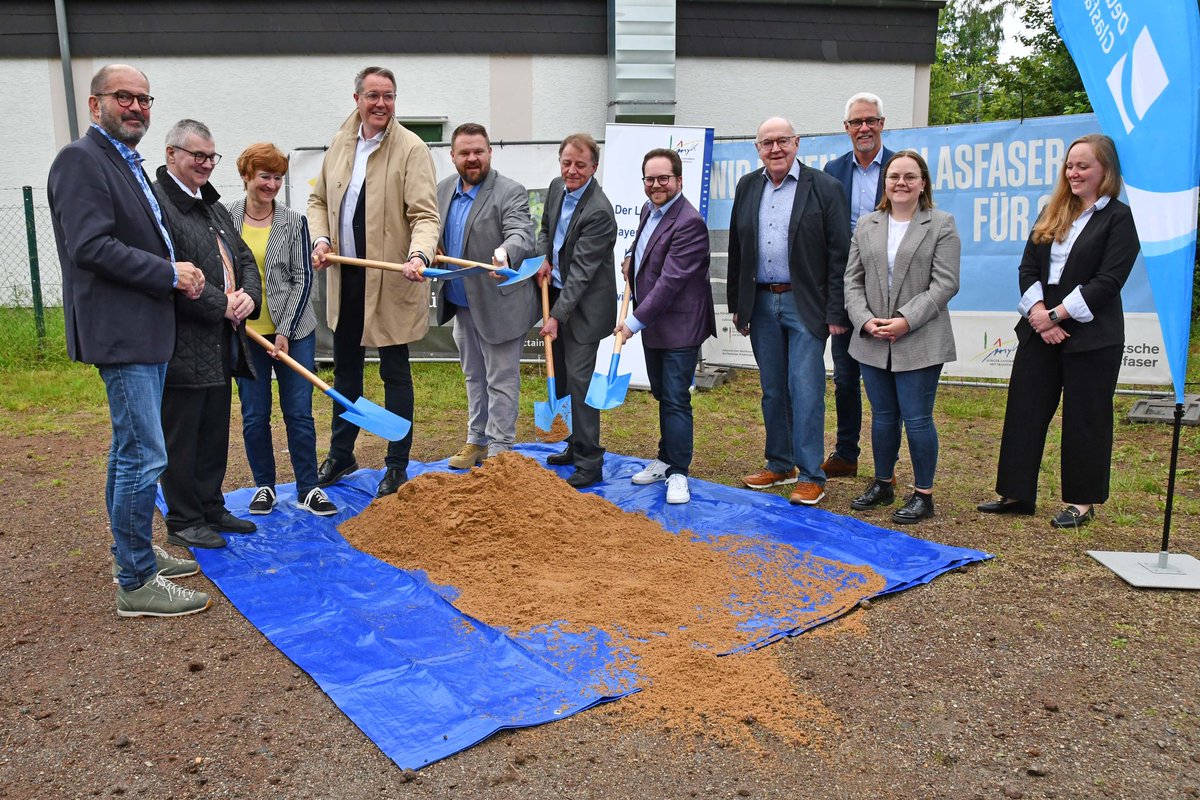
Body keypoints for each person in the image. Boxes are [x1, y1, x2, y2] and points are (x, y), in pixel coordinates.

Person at [47, 64, 210, 617]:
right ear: (96, 105)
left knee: (128, 452)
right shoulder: (81, 160)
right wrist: (170, 273)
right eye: (124, 98)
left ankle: (134, 551)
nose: (136, 107)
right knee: (145, 455)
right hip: (122, 331)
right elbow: (89, 246)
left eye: (144, 99)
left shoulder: (122, 160)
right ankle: (136, 581)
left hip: (143, 329)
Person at [978, 134, 1140, 529]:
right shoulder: (1052, 212)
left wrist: (1058, 315)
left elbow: (1108, 281)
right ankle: (1016, 494)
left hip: (1092, 334)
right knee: (1024, 409)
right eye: (1070, 165)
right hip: (1041, 328)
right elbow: (1028, 269)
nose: (1073, 172)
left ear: (1105, 170)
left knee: (1087, 417)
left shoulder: (1120, 218)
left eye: (1083, 165)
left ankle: (1081, 503)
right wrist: (1039, 314)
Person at [309, 66, 440, 497]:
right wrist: (322, 237)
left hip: (390, 282)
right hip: (346, 280)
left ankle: (396, 463)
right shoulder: (341, 142)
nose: (380, 103)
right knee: (346, 375)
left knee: (394, 374)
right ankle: (342, 454)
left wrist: (419, 253)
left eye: (388, 96)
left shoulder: (411, 149)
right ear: (357, 99)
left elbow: (425, 215)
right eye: (372, 96)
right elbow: (318, 200)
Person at [726, 117, 850, 506]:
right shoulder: (748, 186)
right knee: (773, 389)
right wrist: (737, 304)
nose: (775, 149)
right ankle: (780, 463)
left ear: (797, 143)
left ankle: (812, 474)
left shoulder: (825, 187)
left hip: (806, 304)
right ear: (757, 148)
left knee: (806, 387)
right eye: (767, 143)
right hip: (761, 302)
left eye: (783, 141)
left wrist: (836, 310)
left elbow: (839, 254)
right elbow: (737, 248)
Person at [152, 119, 262, 548]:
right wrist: (223, 305)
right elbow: (168, 278)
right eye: (197, 155)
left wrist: (249, 297)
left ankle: (211, 507)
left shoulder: (213, 207)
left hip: (221, 340)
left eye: (211, 156)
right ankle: (183, 520)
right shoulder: (159, 207)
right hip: (183, 342)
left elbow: (245, 259)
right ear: (171, 154)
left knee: (215, 428)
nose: (205, 164)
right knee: (183, 434)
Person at [843, 150, 961, 524]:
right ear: (885, 182)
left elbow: (946, 284)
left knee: (918, 418)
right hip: (872, 338)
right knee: (882, 417)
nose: (901, 183)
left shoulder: (941, 223)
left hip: (920, 337)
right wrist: (865, 320)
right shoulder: (867, 224)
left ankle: (923, 496)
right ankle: (883, 483)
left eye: (910, 176)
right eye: (894, 176)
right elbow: (852, 281)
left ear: (923, 183)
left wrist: (905, 321)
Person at [227, 143, 338, 517]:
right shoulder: (225, 218)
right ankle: (264, 487)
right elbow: (222, 271)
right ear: (247, 176)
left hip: (295, 332)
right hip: (247, 336)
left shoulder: (293, 221)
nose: (272, 184)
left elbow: (301, 279)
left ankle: (309, 488)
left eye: (277, 177)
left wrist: (285, 331)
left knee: (299, 414)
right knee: (255, 415)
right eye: (264, 176)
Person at [421, 123, 537, 468]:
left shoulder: (509, 191)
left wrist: (504, 253)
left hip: (500, 304)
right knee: (474, 375)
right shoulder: (441, 191)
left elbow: (522, 233)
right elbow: (427, 229)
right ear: (452, 156)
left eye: (478, 151)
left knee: (500, 379)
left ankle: (501, 449)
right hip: (461, 303)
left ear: (490, 152)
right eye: (464, 153)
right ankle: (477, 441)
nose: (472, 158)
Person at [616, 148, 716, 505]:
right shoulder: (649, 209)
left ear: (679, 180)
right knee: (662, 393)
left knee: (675, 398)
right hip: (655, 324)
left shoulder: (689, 222)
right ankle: (664, 457)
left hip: (679, 326)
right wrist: (630, 256)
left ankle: (679, 473)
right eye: (650, 179)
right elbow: (643, 245)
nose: (656, 185)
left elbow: (670, 282)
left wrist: (631, 324)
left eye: (663, 179)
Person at [536, 133, 619, 488]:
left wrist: (555, 316)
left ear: (594, 167)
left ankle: (590, 460)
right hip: (555, 295)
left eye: (580, 165)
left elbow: (582, 273)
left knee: (581, 385)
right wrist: (542, 257)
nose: (572, 171)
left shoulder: (599, 211)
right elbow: (545, 229)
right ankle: (572, 444)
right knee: (566, 382)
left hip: (583, 310)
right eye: (567, 163)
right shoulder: (556, 188)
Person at [822, 92, 895, 480]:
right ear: (846, 128)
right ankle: (846, 453)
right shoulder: (833, 171)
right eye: (856, 122)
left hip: (890, 289)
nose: (863, 128)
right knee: (846, 378)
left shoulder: (900, 168)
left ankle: (888, 463)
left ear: (882, 123)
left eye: (870, 120)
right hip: (846, 288)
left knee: (887, 380)